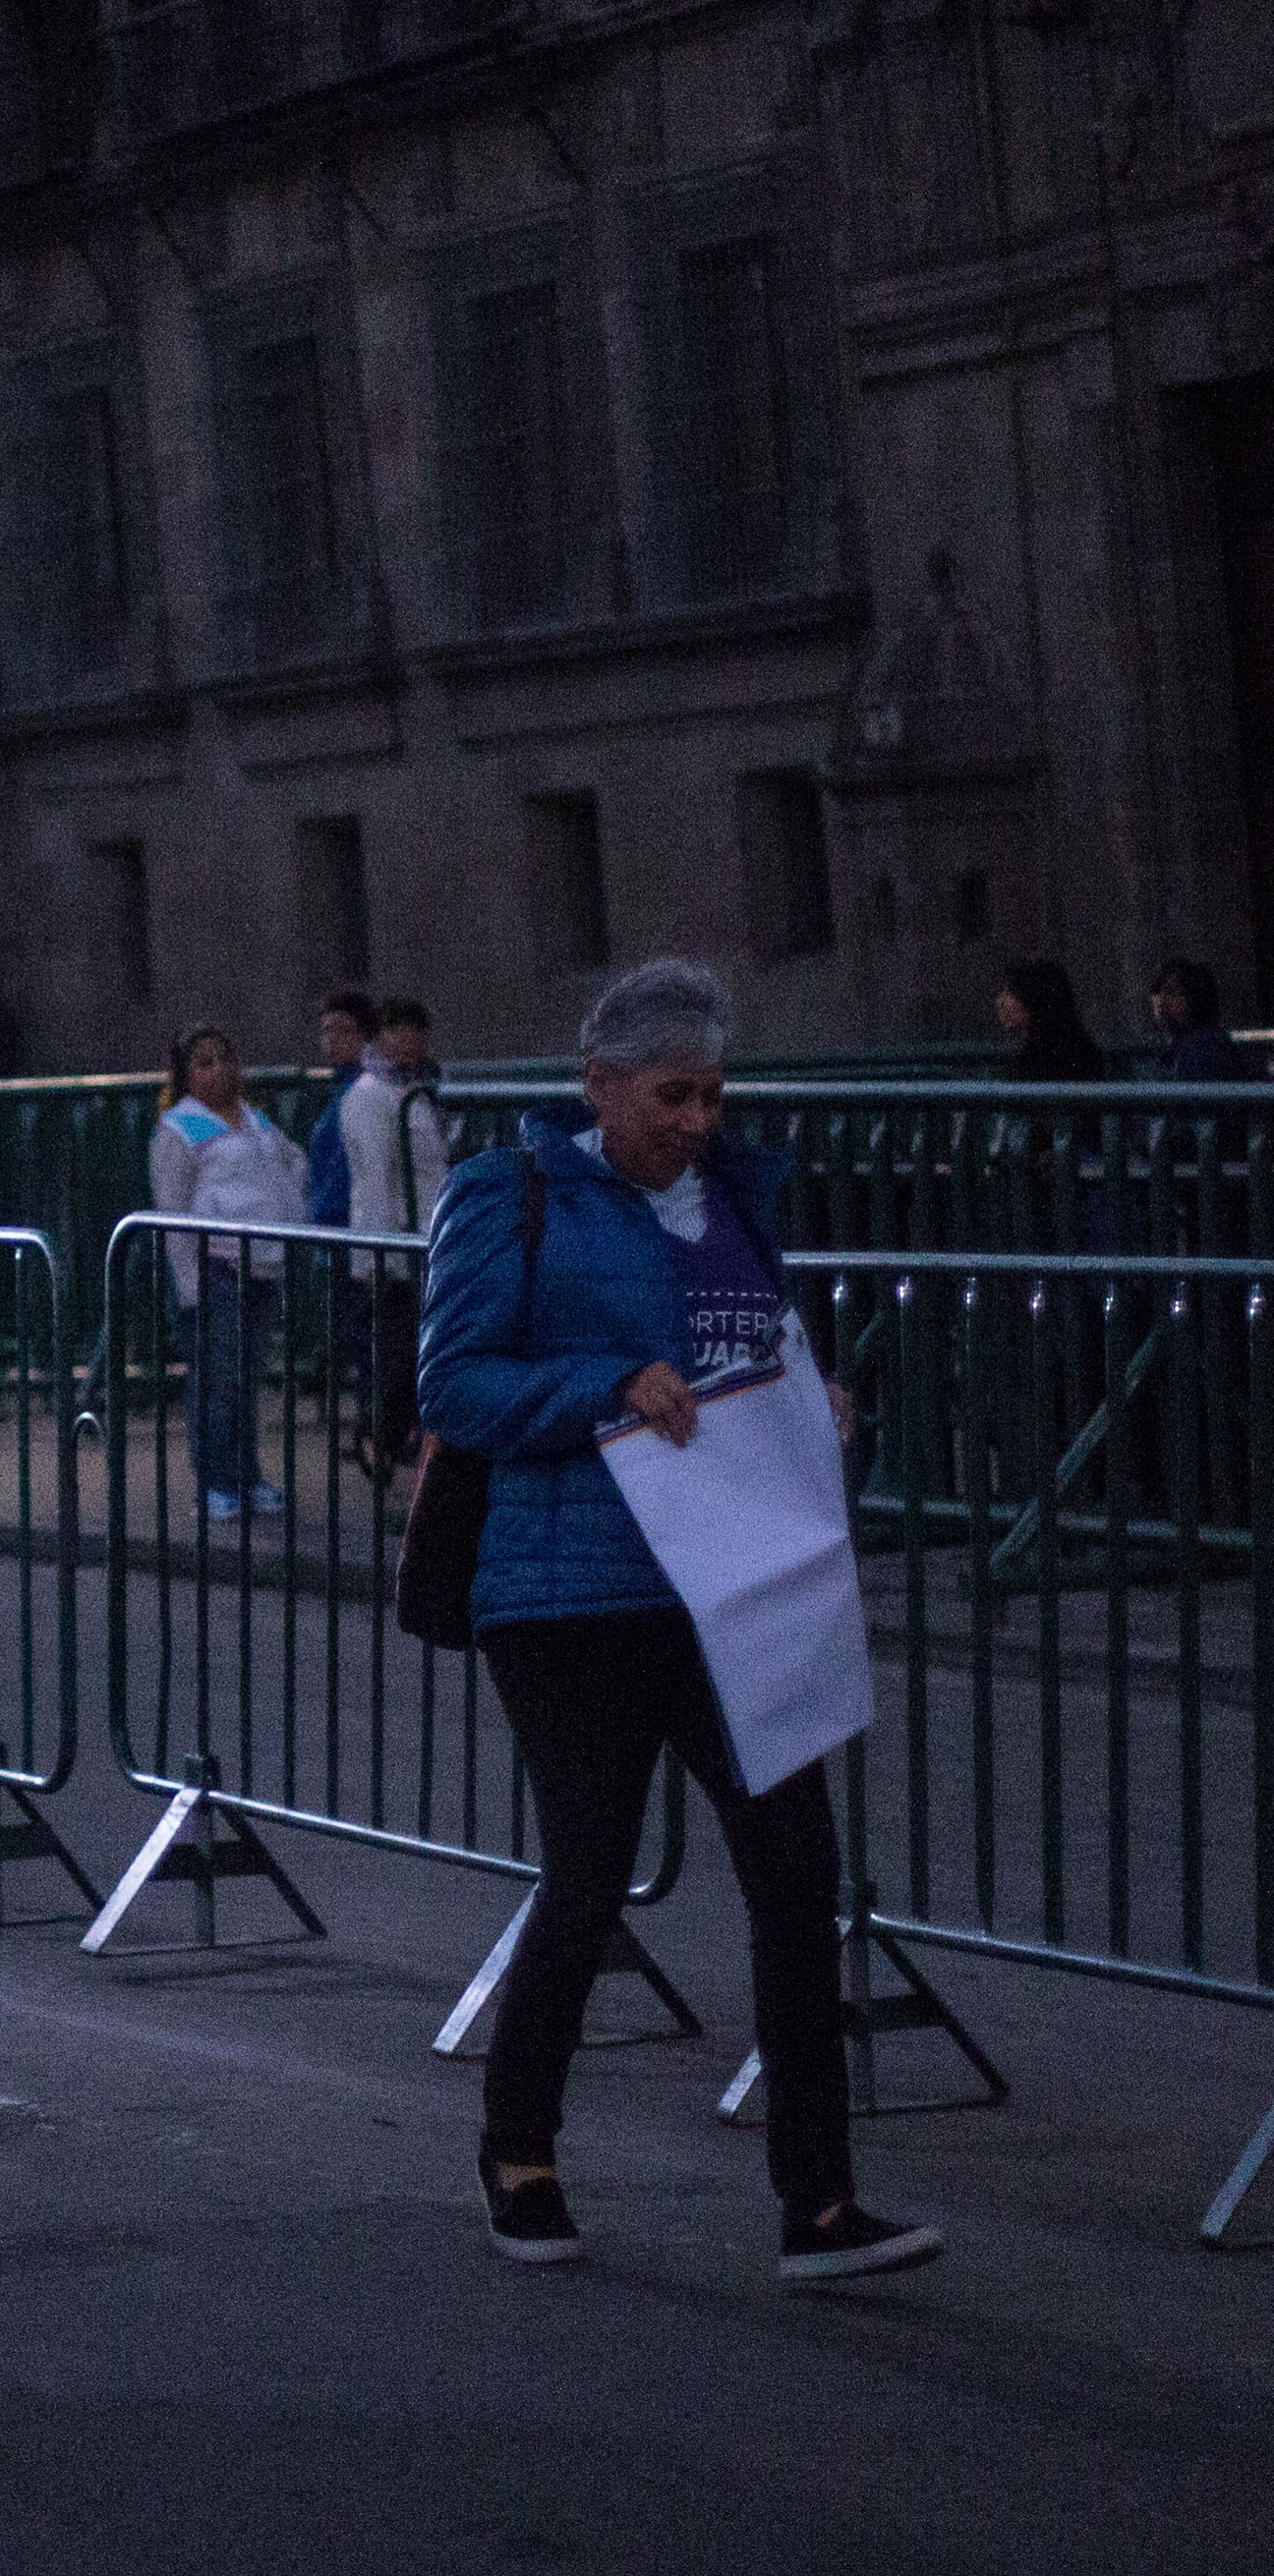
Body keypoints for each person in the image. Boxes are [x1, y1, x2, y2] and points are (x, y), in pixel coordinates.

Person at [417, 957, 942, 2284]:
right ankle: (517, 2148)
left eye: (711, 1094)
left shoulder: (732, 1207)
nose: (697, 1119)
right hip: (569, 1592)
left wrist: (806, 1404)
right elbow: (458, 1385)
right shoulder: (510, 1194)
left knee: (795, 1877)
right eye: (671, 1095)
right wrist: (609, 1385)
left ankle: (816, 2202)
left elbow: (756, 1348)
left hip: (730, 1592)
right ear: (598, 1084)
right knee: (589, 1875)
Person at [148, 1026, 309, 1522]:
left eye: (224, 1058)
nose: (218, 1070)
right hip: (213, 1266)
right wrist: (189, 1285)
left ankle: (247, 1474)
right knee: (217, 1380)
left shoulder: (256, 1120)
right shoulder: (178, 1129)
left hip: (260, 1261)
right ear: (186, 1075)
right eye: (203, 1063)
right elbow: (171, 1211)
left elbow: (293, 1166)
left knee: (245, 1378)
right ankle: (216, 1481)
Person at [331, 998, 451, 1477]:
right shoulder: (368, 1096)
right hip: (398, 1244)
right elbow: (373, 1181)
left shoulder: (422, 1090)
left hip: (429, 1236)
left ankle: (394, 1440)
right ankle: (376, 1438)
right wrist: (374, 1255)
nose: (409, 1043)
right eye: (398, 1032)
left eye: (416, 1033)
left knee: (417, 1349)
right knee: (397, 1354)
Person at [301, 988, 376, 1232]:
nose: (333, 1039)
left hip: (350, 1225)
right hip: (328, 1225)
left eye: (343, 1030)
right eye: (327, 1031)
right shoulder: (335, 1092)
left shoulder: (366, 1090)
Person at [995, 959, 1116, 1083]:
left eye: (1011, 993)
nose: (1000, 1002)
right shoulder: (1077, 1049)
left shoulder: (1041, 1061)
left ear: (1033, 1002)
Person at [1148, 957, 1256, 1083]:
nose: (1162, 1001)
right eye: (1158, 993)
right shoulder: (1174, 1045)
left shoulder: (1205, 1048)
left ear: (1193, 998)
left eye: (1172, 992)